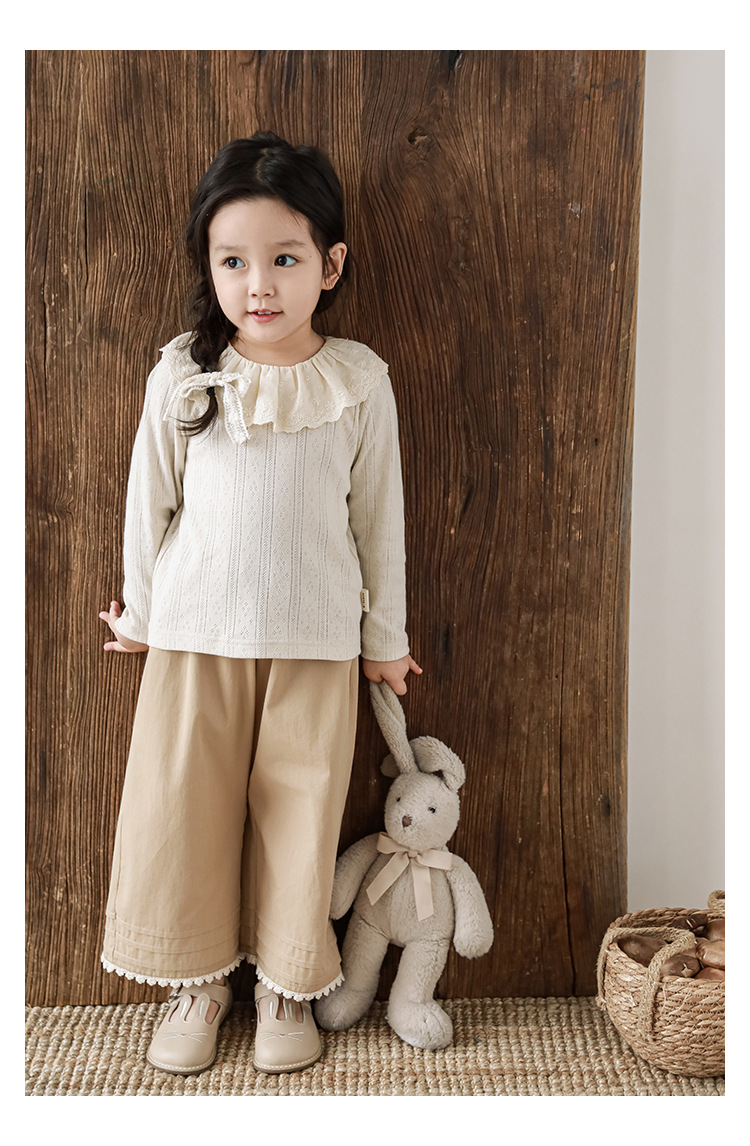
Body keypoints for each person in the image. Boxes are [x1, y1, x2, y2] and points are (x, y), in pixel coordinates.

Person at [98, 132, 421, 1076]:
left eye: (284, 259)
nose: (260, 285)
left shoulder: (358, 382)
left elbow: (380, 524)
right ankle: (198, 983)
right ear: (209, 266)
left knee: (299, 816)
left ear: (331, 264)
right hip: (196, 639)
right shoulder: (184, 375)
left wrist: (384, 640)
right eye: (233, 261)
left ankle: (286, 985)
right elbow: (148, 505)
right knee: (185, 814)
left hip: (315, 644)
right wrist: (144, 618)